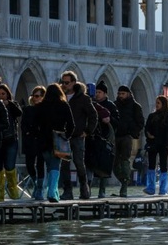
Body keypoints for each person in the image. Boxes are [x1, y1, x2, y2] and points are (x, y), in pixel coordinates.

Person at [60, 71, 98, 200]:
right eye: (63, 82)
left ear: (74, 83)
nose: (64, 85)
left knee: (78, 162)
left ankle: (84, 188)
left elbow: (93, 116)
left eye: (67, 82)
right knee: (64, 164)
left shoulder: (83, 98)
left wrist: (87, 131)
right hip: (63, 136)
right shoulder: (61, 97)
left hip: (77, 135)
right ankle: (67, 191)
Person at [34, 83, 75, 203]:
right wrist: (65, 136)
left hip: (43, 140)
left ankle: (42, 190)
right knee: (55, 165)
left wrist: (38, 135)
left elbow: (35, 125)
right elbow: (71, 125)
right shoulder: (64, 105)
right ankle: (52, 191)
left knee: (47, 164)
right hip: (58, 140)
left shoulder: (40, 106)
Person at [114, 84, 145, 197]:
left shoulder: (135, 106)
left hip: (127, 136)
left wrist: (133, 133)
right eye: (119, 94)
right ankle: (124, 181)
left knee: (125, 160)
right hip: (115, 136)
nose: (120, 96)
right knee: (114, 162)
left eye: (123, 94)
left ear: (128, 94)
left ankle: (124, 187)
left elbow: (140, 122)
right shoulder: (115, 105)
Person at [0, 83, 23, 201]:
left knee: (10, 166)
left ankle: (13, 189)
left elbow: (19, 113)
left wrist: (9, 104)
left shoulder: (12, 104)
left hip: (10, 139)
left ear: (7, 95)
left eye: (3, 94)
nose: (1, 96)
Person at [91, 81, 119, 198]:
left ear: (105, 94)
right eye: (96, 92)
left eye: (100, 92)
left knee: (103, 164)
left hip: (105, 138)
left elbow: (117, 122)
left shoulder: (111, 106)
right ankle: (89, 187)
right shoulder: (92, 104)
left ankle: (102, 190)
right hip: (93, 136)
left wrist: (109, 119)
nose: (97, 94)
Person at [21, 86, 46, 200]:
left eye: (37, 96)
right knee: (29, 164)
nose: (35, 98)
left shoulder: (45, 110)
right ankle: (36, 183)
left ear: (43, 97)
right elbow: (23, 125)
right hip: (30, 140)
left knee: (40, 164)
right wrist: (27, 132)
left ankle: (39, 188)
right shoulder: (27, 109)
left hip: (41, 140)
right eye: (34, 96)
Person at [143, 95, 168, 195]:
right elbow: (147, 128)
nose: (157, 105)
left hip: (164, 144)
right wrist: (148, 134)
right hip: (153, 143)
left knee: (163, 166)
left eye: (158, 103)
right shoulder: (151, 116)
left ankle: (163, 189)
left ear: (163, 104)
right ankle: (150, 187)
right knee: (151, 165)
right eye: (156, 103)